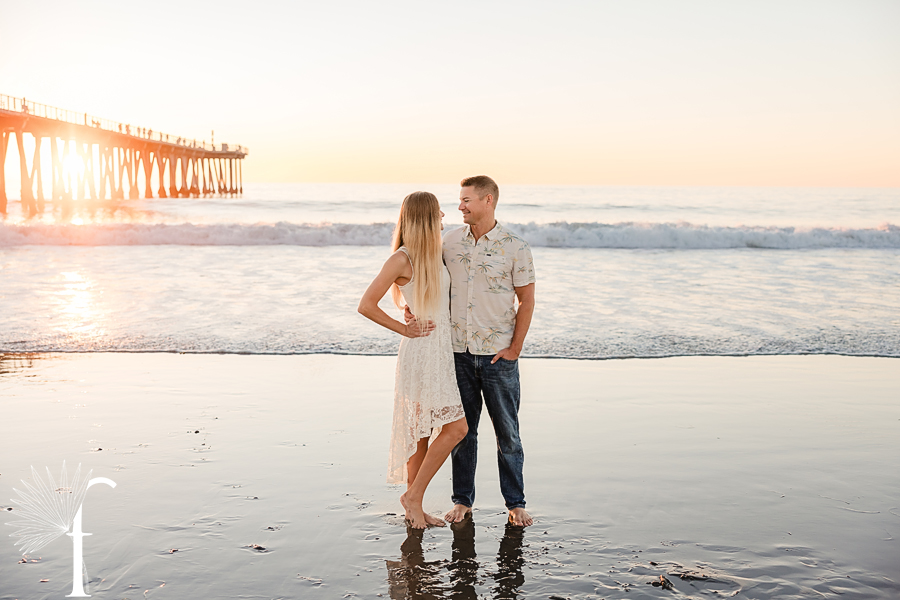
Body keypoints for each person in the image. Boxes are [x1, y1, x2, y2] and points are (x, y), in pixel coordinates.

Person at [409, 176, 536, 527]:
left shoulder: (516, 247)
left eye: (466, 200)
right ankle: (462, 501)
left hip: (498, 356)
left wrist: (515, 348)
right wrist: (410, 309)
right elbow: (421, 277)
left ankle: (515, 502)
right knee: (463, 432)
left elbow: (526, 300)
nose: (460, 207)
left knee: (507, 432)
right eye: (460, 200)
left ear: (488, 200)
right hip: (456, 353)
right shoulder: (448, 242)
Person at [358, 191, 469, 529]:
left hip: (440, 351)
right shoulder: (402, 258)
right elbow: (366, 304)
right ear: (424, 216)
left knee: (425, 433)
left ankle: (412, 506)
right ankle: (413, 498)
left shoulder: (436, 253)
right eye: (438, 212)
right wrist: (404, 329)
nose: (444, 217)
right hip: (421, 352)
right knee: (455, 428)